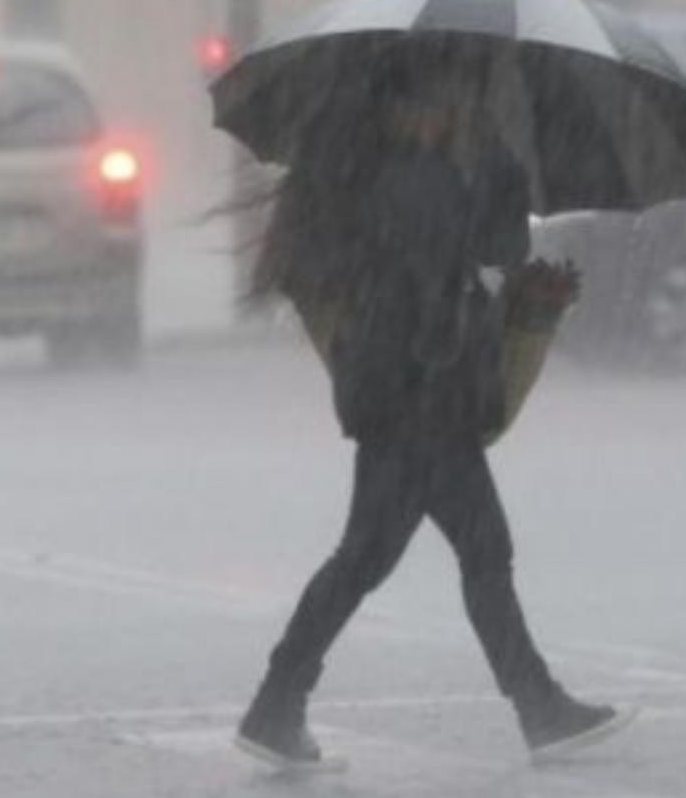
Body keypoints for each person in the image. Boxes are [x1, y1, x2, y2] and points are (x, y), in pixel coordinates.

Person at [238, 49, 632, 769]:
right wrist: (499, 166)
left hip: (406, 396)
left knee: (401, 557)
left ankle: (279, 702)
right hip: (422, 400)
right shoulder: (419, 180)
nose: (450, 110)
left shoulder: (382, 178)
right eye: (444, 100)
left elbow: (460, 266)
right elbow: (490, 249)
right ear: (410, 108)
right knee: (439, 556)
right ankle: (534, 706)